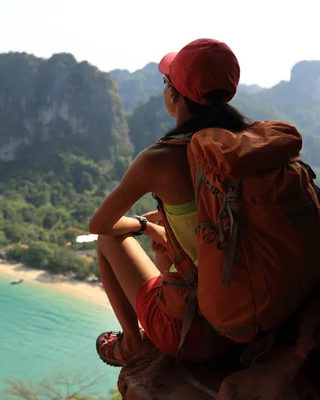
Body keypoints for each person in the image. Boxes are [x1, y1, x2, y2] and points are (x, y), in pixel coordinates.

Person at [89, 38, 251, 366]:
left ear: (173, 94)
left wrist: (146, 225)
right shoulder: (250, 143)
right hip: (256, 315)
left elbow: (99, 224)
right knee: (166, 250)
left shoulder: (161, 158)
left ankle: (132, 342)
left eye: (166, 81)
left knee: (108, 238)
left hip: (199, 333)